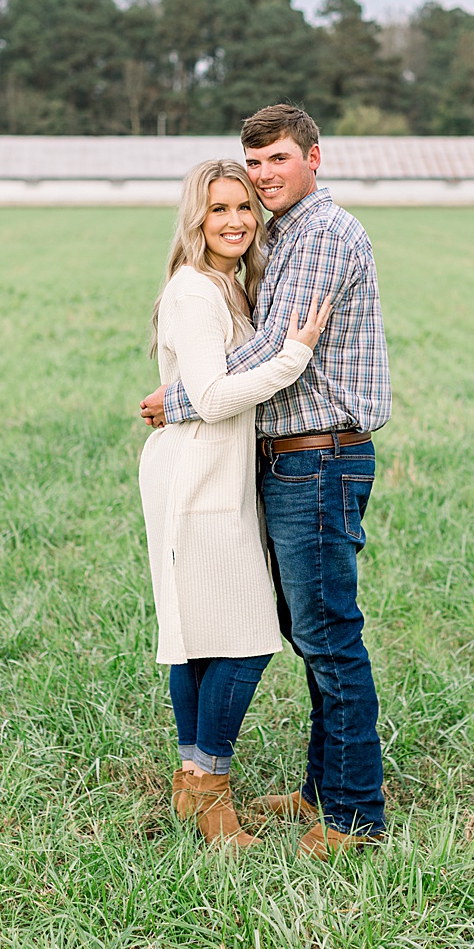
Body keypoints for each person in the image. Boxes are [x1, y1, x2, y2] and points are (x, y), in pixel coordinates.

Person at [142, 104, 393, 857]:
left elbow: (282, 351)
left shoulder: (317, 234)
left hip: (316, 456)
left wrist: (179, 398)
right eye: (254, 166)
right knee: (308, 634)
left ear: (314, 157)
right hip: (285, 458)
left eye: (277, 160)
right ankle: (323, 789)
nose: (264, 178)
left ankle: (351, 813)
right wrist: (195, 392)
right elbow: (252, 353)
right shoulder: (270, 241)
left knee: (326, 637)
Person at [139, 159, 331, 850]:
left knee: (198, 642)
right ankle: (210, 790)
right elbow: (216, 396)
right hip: (196, 478)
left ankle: (192, 781)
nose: (235, 221)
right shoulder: (195, 292)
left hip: (216, 475)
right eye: (218, 209)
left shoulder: (227, 287)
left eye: (244, 207)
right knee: (247, 641)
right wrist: (294, 355)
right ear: (197, 217)